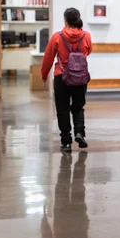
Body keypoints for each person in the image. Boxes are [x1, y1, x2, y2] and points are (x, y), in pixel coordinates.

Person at [41, 8, 92, 153]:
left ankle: (66, 142)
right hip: (80, 78)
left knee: (62, 110)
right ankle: (79, 132)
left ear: (65, 20)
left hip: (61, 77)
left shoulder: (57, 37)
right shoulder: (86, 36)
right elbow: (89, 51)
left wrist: (44, 76)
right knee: (78, 107)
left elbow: (48, 58)